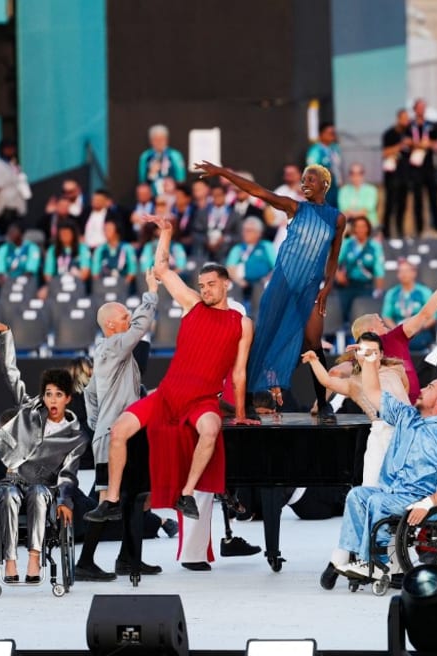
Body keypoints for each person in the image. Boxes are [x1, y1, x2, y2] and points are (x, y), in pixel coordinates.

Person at [87, 215, 256, 525]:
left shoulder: (242, 323)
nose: (205, 290)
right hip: (167, 394)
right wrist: (166, 232)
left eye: (212, 284)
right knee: (119, 431)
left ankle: (187, 493)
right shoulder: (192, 304)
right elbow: (162, 270)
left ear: (227, 284)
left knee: (210, 429)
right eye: (202, 285)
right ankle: (111, 499)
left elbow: (239, 373)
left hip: (201, 399)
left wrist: (241, 412)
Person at [195, 161, 346, 418]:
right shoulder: (295, 207)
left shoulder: (338, 219)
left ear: (325, 184)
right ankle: (249, 401)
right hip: (282, 285)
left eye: (311, 179)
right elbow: (259, 192)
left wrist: (327, 286)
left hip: (310, 289)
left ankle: (323, 403)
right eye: (303, 180)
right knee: (263, 339)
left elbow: (333, 257)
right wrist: (223, 172)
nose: (305, 183)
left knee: (313, 341)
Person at [321, 351, 437, 583]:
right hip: (392, 492)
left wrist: (427, 503)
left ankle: (378, 560)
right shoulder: (407, 416)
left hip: (421, 498)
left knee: (377, 502)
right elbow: (373, 393)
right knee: (357, 495)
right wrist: (369, 362)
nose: (421, 390)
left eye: (429, 388)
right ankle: (350, 557)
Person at [0, 315, 88, 584]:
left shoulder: (75, 436)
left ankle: (35, 559)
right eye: (48, 393)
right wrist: (5, 334)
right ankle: (11, 560)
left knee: (38, 495)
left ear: (68, 399)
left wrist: (65, 501)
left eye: (58, 395)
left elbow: (68, 475)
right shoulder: (30, 409)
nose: (52, 399)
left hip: (44, 485)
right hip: (13, 478)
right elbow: (10, 372)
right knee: (7, 495)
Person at [75, 272, 159, 581]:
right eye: (124, 316)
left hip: (125, 434)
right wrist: (151, 292)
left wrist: (99, 427)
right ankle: (84, 563)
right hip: (115, 438)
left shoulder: (110, 354)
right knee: (106, 500)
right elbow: (140, 327)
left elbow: (90, 395)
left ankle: (129, 559)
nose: (129, 320)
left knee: (133, 497)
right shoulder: (112, 348)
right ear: (112, 325)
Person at [303, 332, 409, 486]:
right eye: (364, 351)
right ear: (356, 354)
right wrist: (314, 361)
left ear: (381, 354)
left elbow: (406, 386)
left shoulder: (395, 368)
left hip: (409, 428)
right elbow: (327, 380)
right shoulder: (354, 384)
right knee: (371, 486)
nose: (368, 355)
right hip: (382, 433)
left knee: (406, 485)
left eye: (373, 352)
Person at [349, 276, 437, 405]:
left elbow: (337, 372)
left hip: (401, 411)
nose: (385, 324)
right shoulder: (392, 337)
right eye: (381, 323)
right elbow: (424, 314)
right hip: (399, 412)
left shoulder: (358, 357)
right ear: (372, 330)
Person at [335, 216, 385, 325]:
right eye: (357, 227)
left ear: (368, 228)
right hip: (347, 284)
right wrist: (338, 274)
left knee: (364, 316)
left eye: (363, 226)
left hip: (365, 286)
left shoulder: (374, 246)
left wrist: (379, 290)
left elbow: (379, 269)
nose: (360, 229)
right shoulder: (347, 244)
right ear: (354, 229)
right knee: (341, 312)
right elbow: (334, 261)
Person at [381, 259, 437, 352]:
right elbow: (386, 316)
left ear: (414, 273)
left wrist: (418, 328)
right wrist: (396, 330)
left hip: (420, 332)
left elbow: (433, 317)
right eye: (401, 271)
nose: (404, 274)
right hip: (398, 331)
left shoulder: (424, 292)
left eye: (407, 271)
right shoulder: (392, 293)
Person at [225, 217, 276, 314]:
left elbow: (276, 267)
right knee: (232, 287)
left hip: (261, 282)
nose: (245, 233)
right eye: (244, 230)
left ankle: (256, 320)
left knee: (259, 289)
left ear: (259, 233)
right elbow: (229, 267)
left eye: (249, 230)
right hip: (241, 283)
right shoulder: (238, 248)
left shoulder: (266, 246)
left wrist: (267, 278)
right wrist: (239, 281)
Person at [407, 100, 437, 235]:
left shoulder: (432, 125)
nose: (421, 110)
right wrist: (420, 144)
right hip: (415, 167)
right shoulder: (410, 126)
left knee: (433, 198)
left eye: (423, 107)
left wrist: (427, 144)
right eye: (418, 108)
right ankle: (419, 228)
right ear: (415, 109)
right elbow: (406, 142)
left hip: (429, 166)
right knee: (418, 200)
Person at [0, 138, 29, 234]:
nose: (11, 151)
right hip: (5, 212)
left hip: (18, 210)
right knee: (9, 238)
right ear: (2, 150)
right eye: (8, 148)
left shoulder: (14, 166)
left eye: (12, 148)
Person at [380, 109, 411, 238]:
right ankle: (386, 231)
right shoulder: (389, 134)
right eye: (404, 118)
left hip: (405, 175)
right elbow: (385, 152)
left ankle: (400, 230)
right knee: (390, 204)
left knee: (403, 205)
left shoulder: (409, 133)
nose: (406, 121)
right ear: (398, 118)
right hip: (392, 176)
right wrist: (400, 146)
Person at [138, 124, 187, 196]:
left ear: (166, 140)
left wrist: (172, 184)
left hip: (172, 196)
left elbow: (181, 179)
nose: (159, 142)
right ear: (151, 141)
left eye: (161, 139)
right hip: (152, 196)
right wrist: (150, 175)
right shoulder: (145, 156)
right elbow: (142, 181)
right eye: (156, 140)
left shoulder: (175, 155)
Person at [0, 223, 41, 289]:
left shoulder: (31, 248)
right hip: (8, 285)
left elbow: (31, 271)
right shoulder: (4, 248)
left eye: (13, 231)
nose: (10, 234)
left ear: (21, 233)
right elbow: (0, 270)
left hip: (27, 285)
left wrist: (18, 283)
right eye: (9, 231)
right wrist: (5, 282)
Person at [306, 122, 343, 207]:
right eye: (330, 133)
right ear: (321, 134)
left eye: (334, 133)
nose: (333, 136)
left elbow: (338, 167)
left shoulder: (335, 148)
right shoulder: (315, 150)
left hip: (335, 186)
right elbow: (312, 169)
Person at [337, 163, 379, 229]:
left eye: (359, 173)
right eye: (353, 173)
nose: (356, 176)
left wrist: (351, 213)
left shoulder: (371, 190)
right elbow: (344, 210)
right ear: (349, 175)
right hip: (349, 222)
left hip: (368, 222)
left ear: (363, 175)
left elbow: (366, 210)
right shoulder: (343, 191)